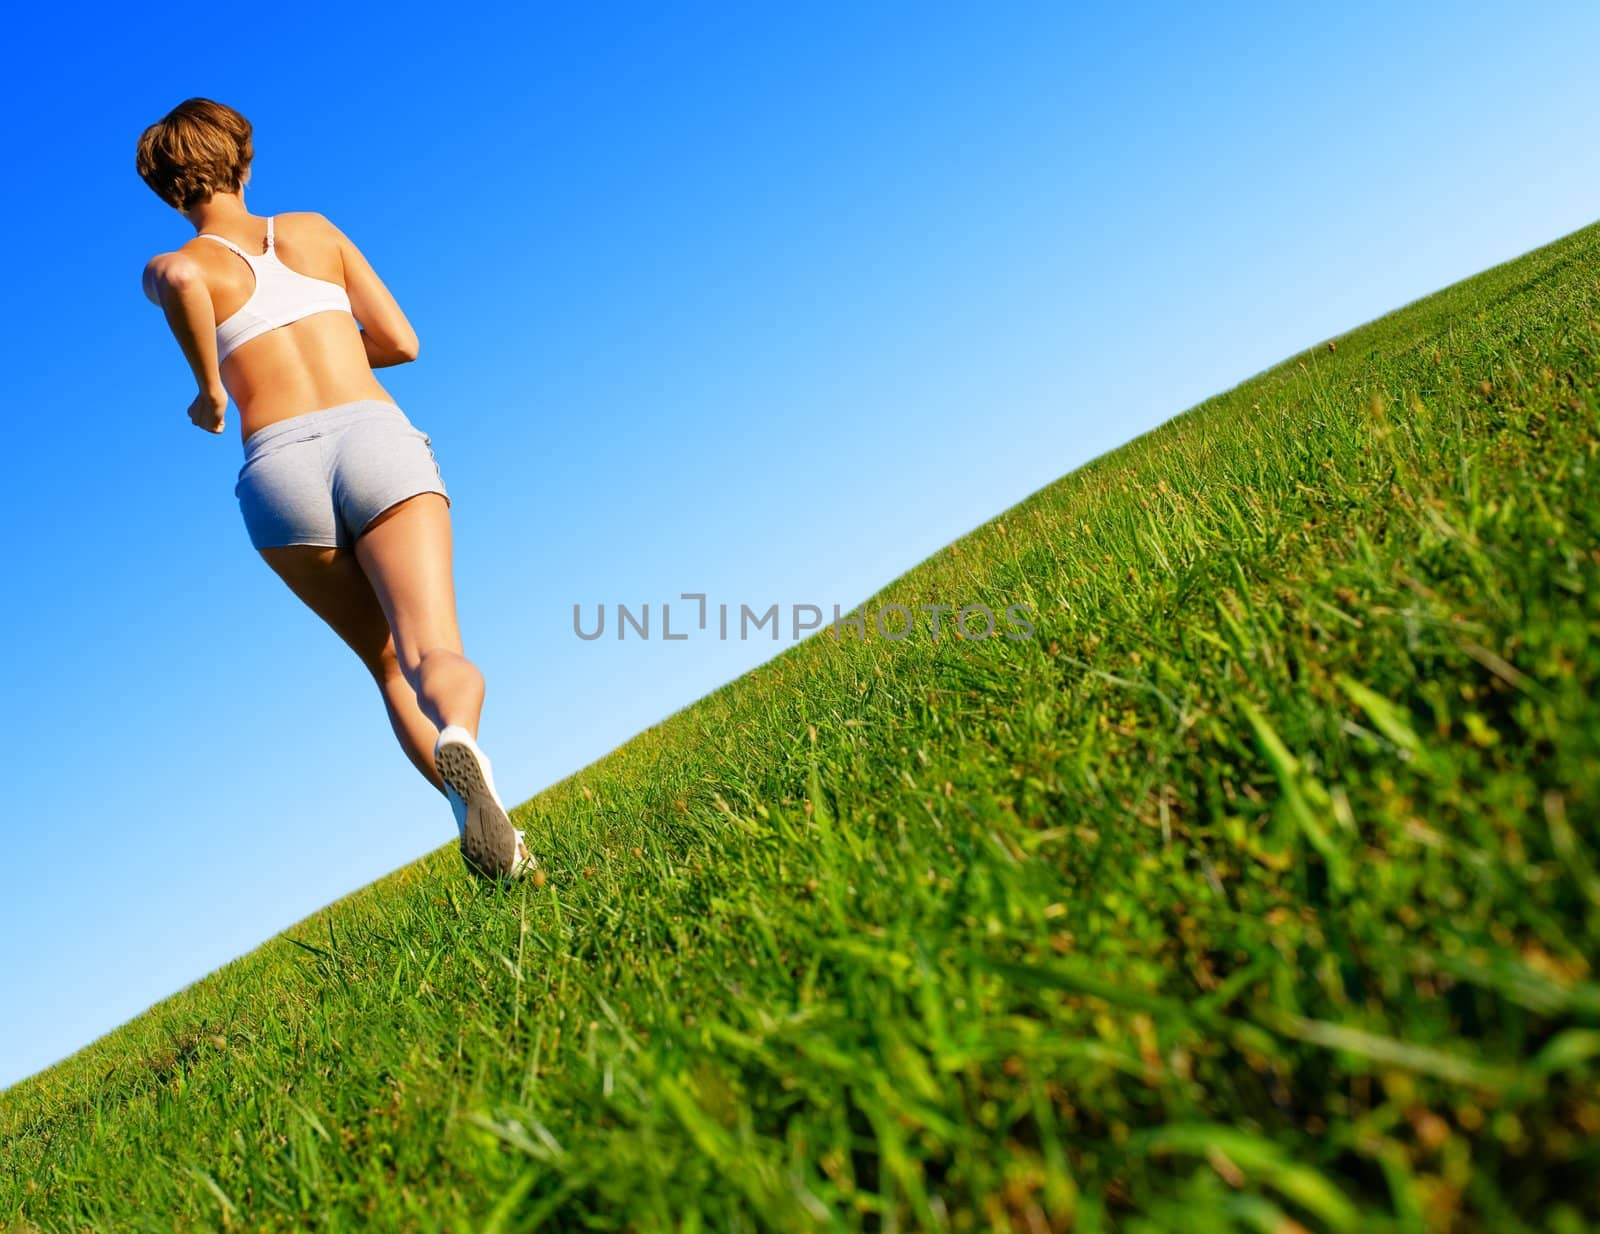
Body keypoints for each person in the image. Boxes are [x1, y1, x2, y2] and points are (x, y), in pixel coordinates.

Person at [136, 98, 533, 881]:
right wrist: (333, 351)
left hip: (278, 472)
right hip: (374, 439)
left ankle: (503, 847)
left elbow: (182, 272)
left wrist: (212, 391)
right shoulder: (314, 232)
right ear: (244, 159)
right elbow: (402, 343)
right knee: (432, 651)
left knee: (386, 666)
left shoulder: (175, 265)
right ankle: (459, 732)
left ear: (165, 189)